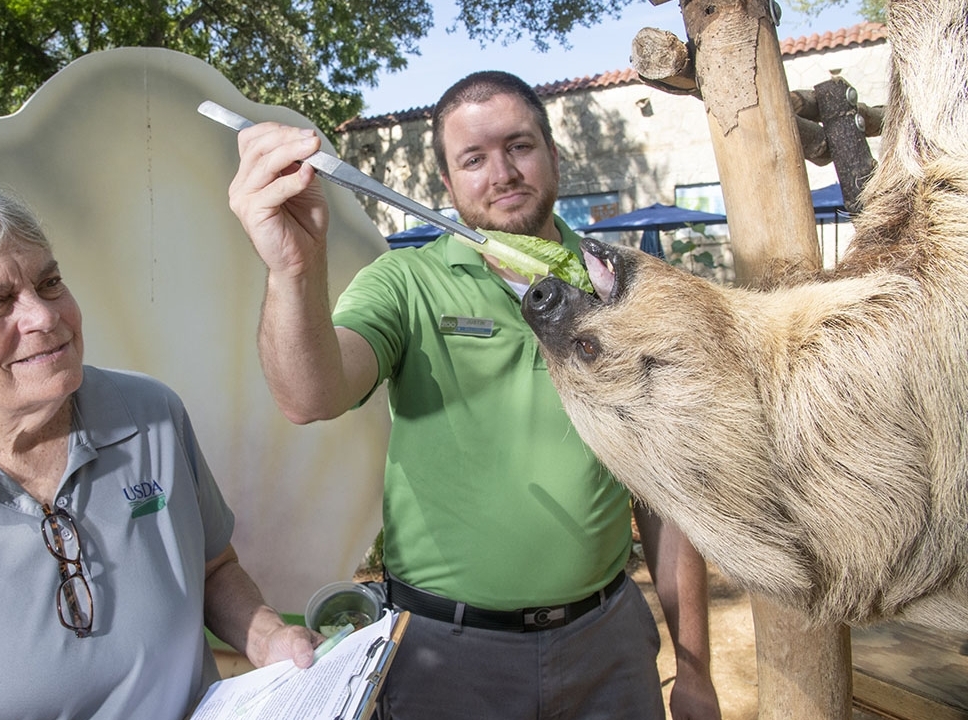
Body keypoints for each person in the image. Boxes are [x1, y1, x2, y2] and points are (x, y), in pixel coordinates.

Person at [226, 71, 723, 719]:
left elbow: (668, 497)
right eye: (473, 159)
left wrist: (694, 670)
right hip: (447, 658)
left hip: (608, 643)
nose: (502, 172)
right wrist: (293, 268)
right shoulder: (406, 282)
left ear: (554, 153)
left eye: (519, 146)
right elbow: (309, 394)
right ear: (447, 185)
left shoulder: (621, 286)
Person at [0, 181, 319, 719]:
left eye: (49, 283)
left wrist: (267, 638)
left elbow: (213, 569)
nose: (44, 316)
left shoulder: (150, 416)